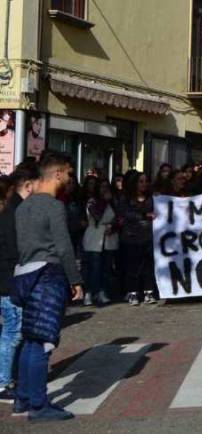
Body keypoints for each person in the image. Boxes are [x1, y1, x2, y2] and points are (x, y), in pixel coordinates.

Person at [12, 153, 83, 421]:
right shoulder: (54, 207)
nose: (69, 179)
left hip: (26, 274)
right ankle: (39, 405)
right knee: (43, 342)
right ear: (57, 174)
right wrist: (75, 280)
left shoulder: (22, 207)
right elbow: (63, 247)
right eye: (68, 174)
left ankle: (23, 398)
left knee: (31, 339)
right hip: (48, 275)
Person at [0, 164, 38, 403]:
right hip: (9, 279)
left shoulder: (12, 209)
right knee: (13, 332)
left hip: (7, 278)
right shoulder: (13, 212)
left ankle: (8, 376)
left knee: (12, 330)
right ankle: (3, 382)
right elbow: (14, 250)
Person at [116, 172, 156, 306]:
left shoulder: (151, 198)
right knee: (132, 267)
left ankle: (148, 291)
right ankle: (132, 292)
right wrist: (144, 215)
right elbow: (125, 214)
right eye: (141, 181)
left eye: (146, 181)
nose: (144, 184)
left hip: (148, 237)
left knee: (148, 266)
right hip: (131, 238)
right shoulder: (126, 199)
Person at [82, 179, 119, 306]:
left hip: (108, 237)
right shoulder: (92, 202)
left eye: (106, 187)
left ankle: (102, 291)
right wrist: (105, 201)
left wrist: (113, 227)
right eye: (102, 187)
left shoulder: (113, 203)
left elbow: (118, 218)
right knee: (93, 267)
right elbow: (97, 216)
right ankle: (89, 292)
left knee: (106, 268)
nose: (104, 190)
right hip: (95, 237)